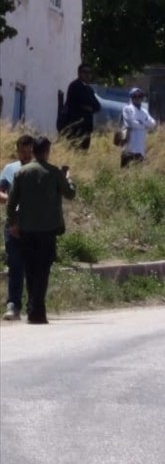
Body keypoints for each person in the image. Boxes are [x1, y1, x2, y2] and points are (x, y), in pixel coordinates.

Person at [5, 137, 76, 324]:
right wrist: (69, 178)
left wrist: (12, 223)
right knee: (43, 270)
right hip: (47, 230)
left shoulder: (21, 172)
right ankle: (37, 310)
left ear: (34, 151)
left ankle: (31, 308)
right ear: (46, 151)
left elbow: (11, 203)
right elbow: (70, 193)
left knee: (30, 268)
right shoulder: (54, 173)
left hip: (26, 230)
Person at [0, 134, 34, 320]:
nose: (27, 155)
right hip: (14, 223)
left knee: (33, 266)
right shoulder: (10, 169)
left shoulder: (40, 170)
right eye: (23, 152)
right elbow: (0, 192)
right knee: (15, 264)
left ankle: (34, 304)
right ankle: (13, 304)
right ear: (18, 151)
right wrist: (12, 201)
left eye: (30, 152)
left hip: (35, 225)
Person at [60, 64, 101, 150]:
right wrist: (86, 106)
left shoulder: (89, 89)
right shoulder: (74, 86)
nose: (87, 75)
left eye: (89, 72)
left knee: (84, 152)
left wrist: (90, 108)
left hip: (87, 128)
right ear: (79, 73)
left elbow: (97, 106)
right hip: (76, 127)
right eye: (85, 72)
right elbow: (78, 101)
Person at [119, 87, 156, 167]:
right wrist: (145, 124)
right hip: (129, 144)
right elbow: (131, 123)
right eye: (135, 96)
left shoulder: (144, 111)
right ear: (131, 97)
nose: (137, 98)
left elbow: (153, 123)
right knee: (125, 170)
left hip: (140, 146)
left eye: (140, 96)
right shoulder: (127, 109)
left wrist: (140, 123)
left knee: (138, 170)